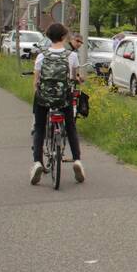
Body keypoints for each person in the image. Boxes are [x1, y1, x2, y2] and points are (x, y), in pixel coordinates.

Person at [31, 22, 85, 185]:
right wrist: (78, 79)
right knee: (71, 127)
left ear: (49, 37)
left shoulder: (42, 56)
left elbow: (36, 82)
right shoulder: (71, 56)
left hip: (44, 99)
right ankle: (77, 160)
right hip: (64, 99)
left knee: (39, 128)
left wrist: (39, 93)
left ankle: (37, 162)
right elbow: (73, 78)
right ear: (63, 37)